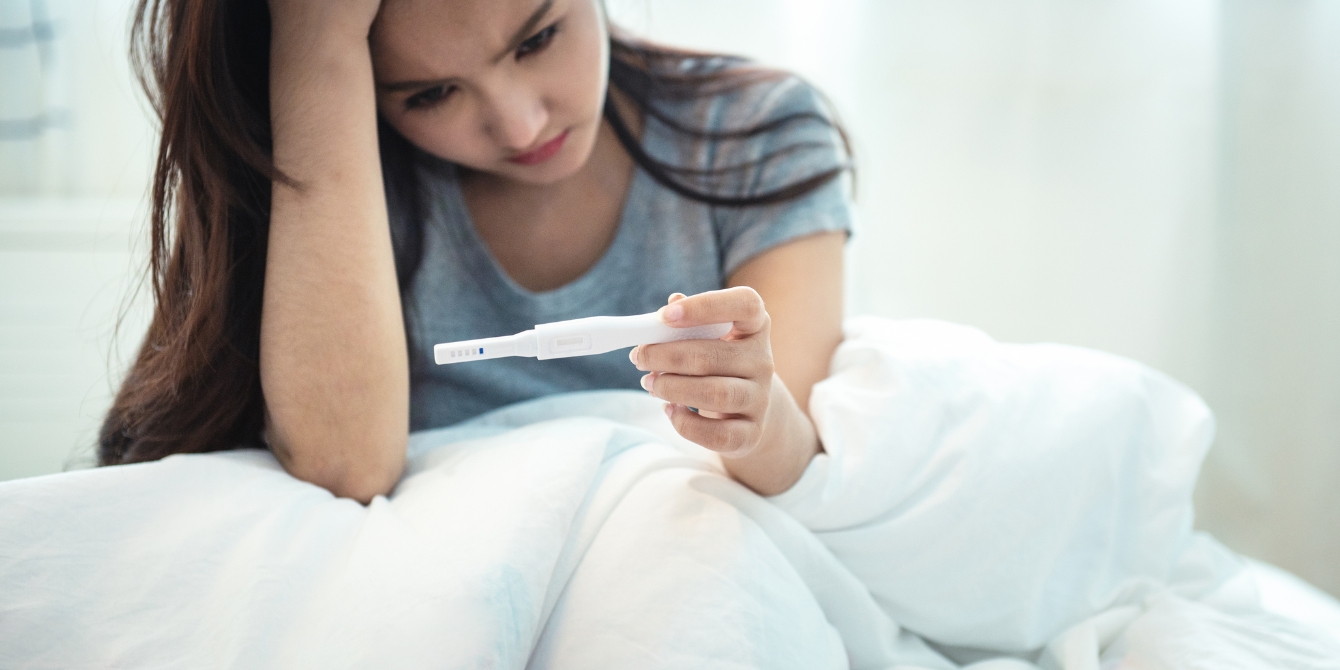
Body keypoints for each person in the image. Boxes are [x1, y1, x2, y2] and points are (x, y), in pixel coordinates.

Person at [101, 0, 853, 504]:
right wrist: (314, 46)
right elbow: (344, 471)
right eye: (429, 94)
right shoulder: (344, 175)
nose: (521, 127)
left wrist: (753, 414)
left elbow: (792, 464)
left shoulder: (758, 132)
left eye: (537, 39)